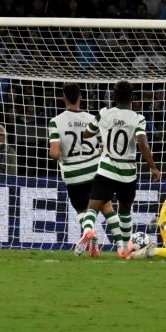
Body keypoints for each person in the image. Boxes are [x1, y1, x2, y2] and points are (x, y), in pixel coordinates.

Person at [74, 80, 161, 258]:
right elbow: (142, 142)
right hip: (127, 174)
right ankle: (124, 249)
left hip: (106, 169)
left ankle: (89, 230)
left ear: (113, 96)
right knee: (124, 211)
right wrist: (153, 167)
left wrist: (104, 134)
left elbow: (87, 133)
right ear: (132, 98)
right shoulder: (138, 118)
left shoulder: (104, 113)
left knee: (92, 208)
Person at [48, 83, 119, 257]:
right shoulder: (92, 119)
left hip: (73, 174)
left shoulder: (55, 122)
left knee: (81, 210)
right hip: (95, 171)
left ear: (63, 98)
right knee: (107, 206)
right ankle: (124, 245)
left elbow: (55, 153)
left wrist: (63, 154)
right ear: (81, 97)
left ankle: (90, 234)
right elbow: (106, 146)